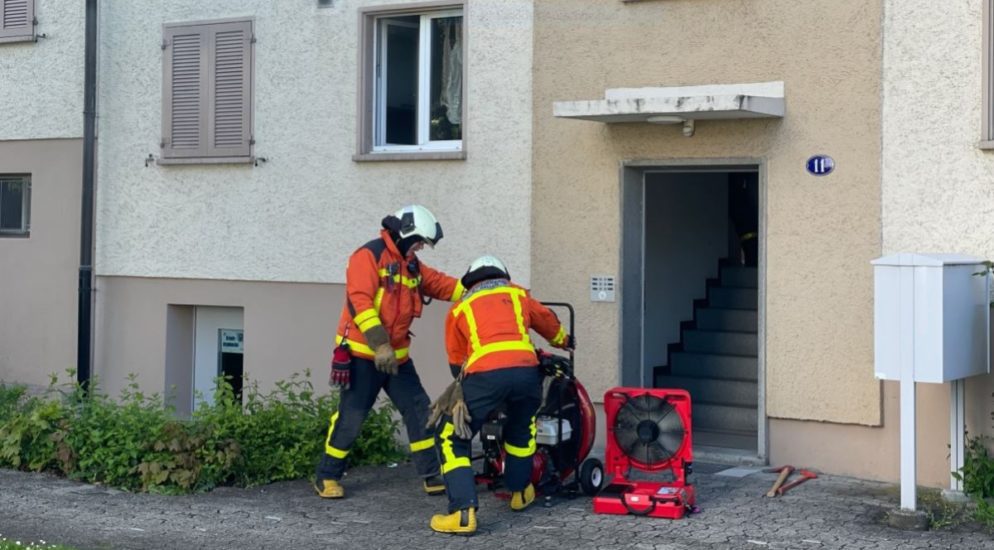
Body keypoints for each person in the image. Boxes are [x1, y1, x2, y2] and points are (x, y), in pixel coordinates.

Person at [316, 205, 465, 499]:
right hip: (362, 354)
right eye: (420, 240)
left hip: (396, 357)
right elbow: (360, 302)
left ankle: (430, 473)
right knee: (351, 417)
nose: (421, 247)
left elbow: (440, 284)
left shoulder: (411, 264)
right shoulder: (368, 256)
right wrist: (380, 344)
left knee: (420, 410)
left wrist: (478, 286)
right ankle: (327, 476)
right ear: (406, 233)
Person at [429, 255, 573, 535]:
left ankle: (462, 513)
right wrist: (564, 341)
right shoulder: (518, 295)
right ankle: (520, 494)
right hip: (527, 375)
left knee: (451, 436)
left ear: (470, 281)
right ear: (503, 275)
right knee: (521, 429)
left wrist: (473, 393)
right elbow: (548, 323)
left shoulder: (461, 308)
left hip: (484, 377)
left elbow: (457, 364)